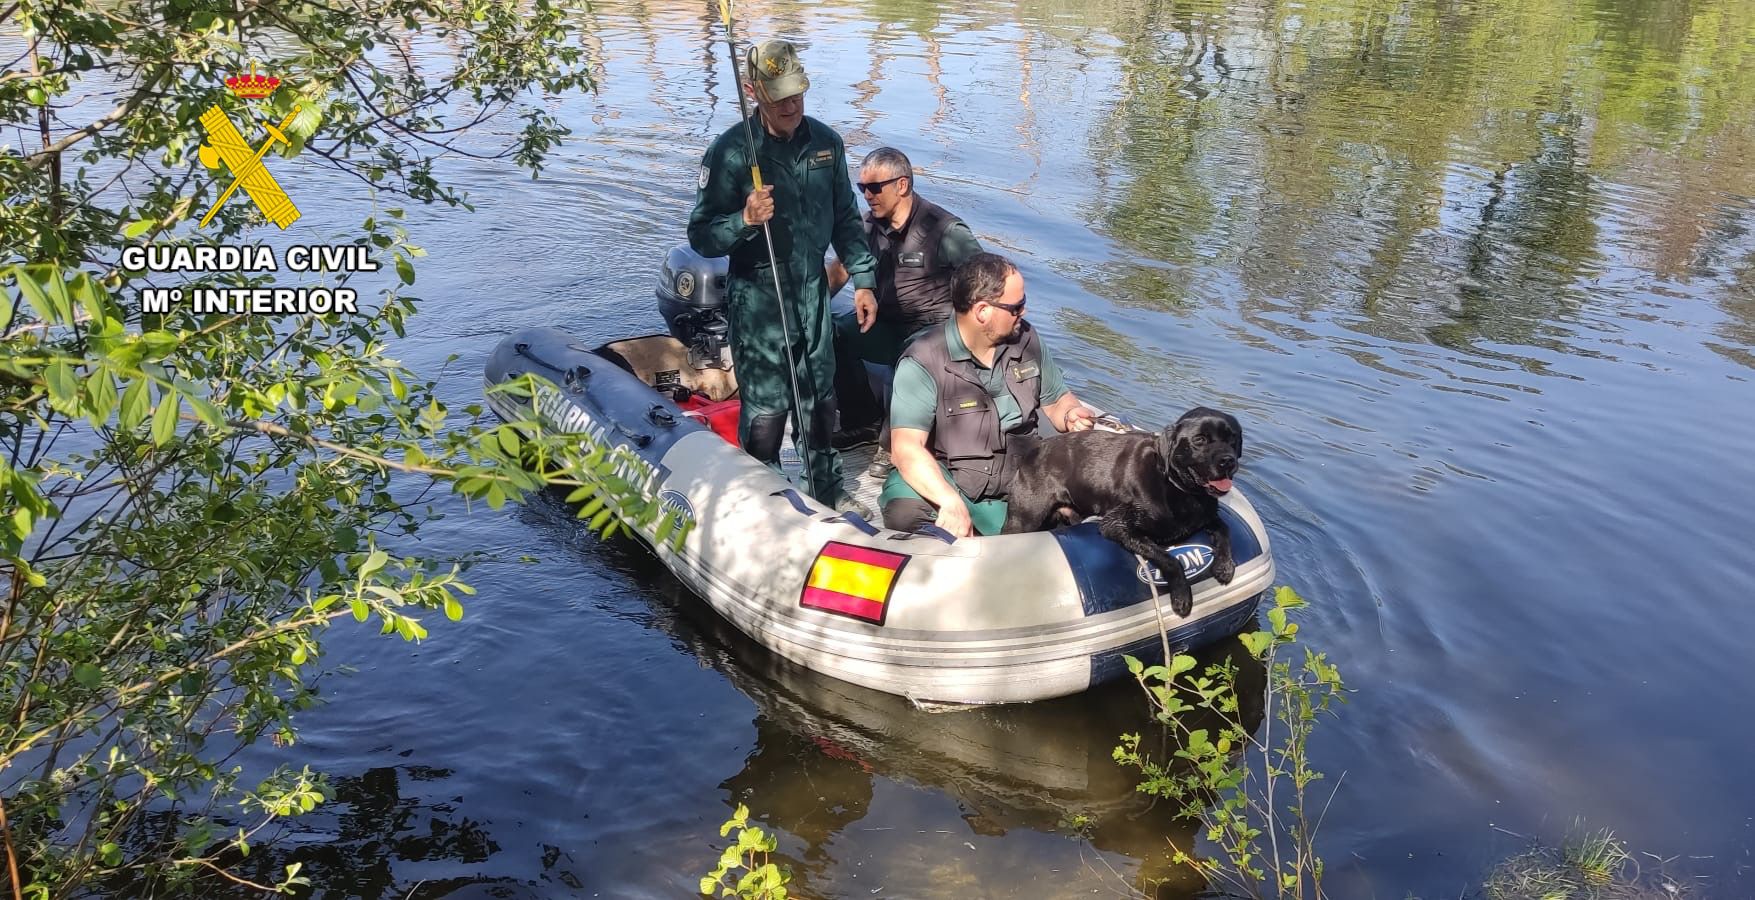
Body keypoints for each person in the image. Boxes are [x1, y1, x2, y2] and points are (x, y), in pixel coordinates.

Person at [688, 39, 879, 513]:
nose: (792, 106)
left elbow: (846, 217)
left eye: (797, 94)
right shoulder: (732, 153)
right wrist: (744, 220)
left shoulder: (826, 144)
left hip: (812, 292)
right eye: (780, 98)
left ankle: (826, 495)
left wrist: (863, 278)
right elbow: (702, 236)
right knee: (767, 415)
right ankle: (764, 502)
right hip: (758, 297)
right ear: (754, 91)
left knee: (820, 404)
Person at [879, 252, 1096, 538]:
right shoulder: (924, 360)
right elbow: (906, 448)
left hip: (1024, 480)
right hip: (957, 482)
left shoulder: (1027, 340)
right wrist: (949, 501)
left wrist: (1071, 414)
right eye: (1016, 307)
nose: (1024, 313)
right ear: (982, 311)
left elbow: (1057, 400)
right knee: (903, 508)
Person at [829, 147, 985, 477]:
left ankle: (894, 445)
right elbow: (842, 268)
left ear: (902, 185)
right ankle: (862, 422)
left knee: (914, 355)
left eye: (874, 188)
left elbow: (985, 281)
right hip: (886, 323)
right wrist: (807, 308)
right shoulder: (868, 225)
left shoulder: (945, 231)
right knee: (834, 332)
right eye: (862, 188)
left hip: (933, 331)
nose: (867, 196)